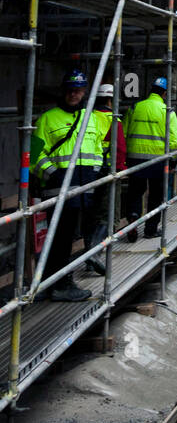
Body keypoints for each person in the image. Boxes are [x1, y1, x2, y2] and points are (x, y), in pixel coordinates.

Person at [31, 68, 103, 301]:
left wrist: (95, 173)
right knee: (60, 238)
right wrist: (51, 173)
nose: (74, 94)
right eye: (71, 90)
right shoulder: (48, 118)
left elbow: (98, 149)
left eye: (79, 90)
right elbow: (34, 154)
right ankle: (60, 284)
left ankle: (51, 283)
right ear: (64, 91)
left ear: (84, 92)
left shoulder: (90, 118)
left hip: (82, 189)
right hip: (58, 188)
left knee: (67, 237)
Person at [123, 77, 177, 242]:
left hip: (134, 159)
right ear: (165, 92)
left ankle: (133, 219)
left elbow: (124, 132)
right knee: (155, 195)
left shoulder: (135, 107)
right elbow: (174, 140)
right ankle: (150, 229)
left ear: (151, 89)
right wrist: (173, 158)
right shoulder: (168, 110)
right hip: (158, 160)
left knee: (134, 192)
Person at [82, 82, 127, 275]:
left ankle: (89, 258)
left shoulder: (87, 116)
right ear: (110, 99)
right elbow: (120, 148)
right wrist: (122, 169)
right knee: (109, 216)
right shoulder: (113, 119)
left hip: (89, 171)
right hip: (109, 170)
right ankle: (95, 253)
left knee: (90, 215)